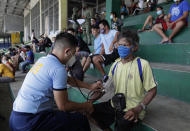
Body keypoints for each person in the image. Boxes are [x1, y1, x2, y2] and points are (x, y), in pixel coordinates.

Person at [10, 32, 102, 131]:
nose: (74, 58)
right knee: (80, 120)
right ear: (67, 52)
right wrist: (86, 105)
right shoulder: (58, 69)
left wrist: (90, 87)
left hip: (15, 118)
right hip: (30, 122)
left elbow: (68, 80)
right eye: (74, 53)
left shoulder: (43, 60)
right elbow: (63, 106)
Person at [90, 30, 157, 131]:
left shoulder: (142, 64)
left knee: (121, 126)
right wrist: (90, 101)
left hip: (132, 108)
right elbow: (106, 87)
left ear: (134, 47)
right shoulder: (115, 64)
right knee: (89, 111)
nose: (121, 48)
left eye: (125, 45)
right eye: (119, 45)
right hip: (115, 104)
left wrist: (138, 109)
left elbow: (152, 90)